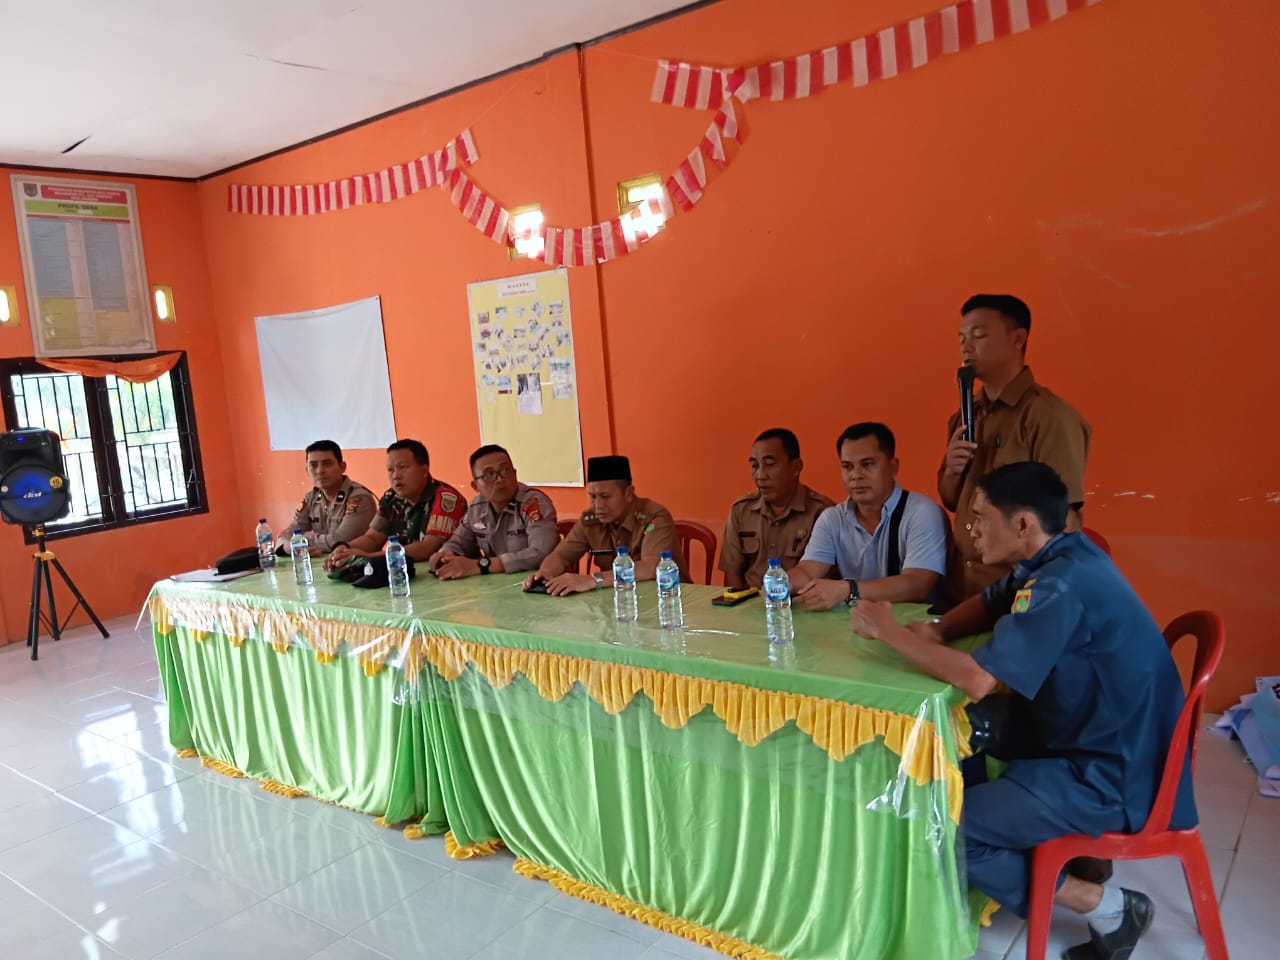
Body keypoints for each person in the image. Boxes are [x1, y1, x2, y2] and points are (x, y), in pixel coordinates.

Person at [849, 462, 1194, 959]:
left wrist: (887, 631)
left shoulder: (1062, 585)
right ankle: (1004, 844)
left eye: (981, 518)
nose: (971, 530)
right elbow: (995, 600)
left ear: (1023, 524)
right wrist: (940, 630)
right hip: (1099, 738)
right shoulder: (1064, 554)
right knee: (969, 730)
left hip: (1111, 774)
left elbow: (977, 678)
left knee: (947, 825)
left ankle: (1109, 906)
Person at [939, 293, 1091, 601]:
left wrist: (1043, 601)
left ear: (1017, 339)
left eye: (979, 335)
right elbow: (951, 499)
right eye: (962, 338)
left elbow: (1064, 522)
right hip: (963, 590)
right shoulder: (965, 416)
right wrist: (953, 471)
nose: (966, 347)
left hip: (1017, 594)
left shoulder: (1048, 417)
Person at [788, 423, 948, 610]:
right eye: (847, 467)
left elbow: (918, 584)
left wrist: (849, 590)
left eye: (867, 464)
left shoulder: (921, 513)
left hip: (917, 623)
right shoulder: (832, 519)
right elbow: (808, 571)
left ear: (893, 467)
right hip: (859, 622)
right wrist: (783, 582)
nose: (856, 475)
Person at [525, 455, 684, 596]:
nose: (598, 505)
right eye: (593, 497)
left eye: (605, 496)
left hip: (666, 598)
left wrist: (592, 580)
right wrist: (545, 573)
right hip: (619, 600)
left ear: (628, 494)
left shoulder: (653, 516)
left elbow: (651, 567)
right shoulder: (591, 520)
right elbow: (561, 556)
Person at [324, 439, 465, 569]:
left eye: (403, 467)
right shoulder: (391, 498)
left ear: (424, 470)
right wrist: (344, 549)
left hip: (447, 573)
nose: (396, 476)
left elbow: (429, 547)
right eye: (390, 470)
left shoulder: (446, 498)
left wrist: (370, 557)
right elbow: (372, 538)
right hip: (404, 572)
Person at [719, 428, 833, 590]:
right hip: (750, 601)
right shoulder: (741, 510)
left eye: (770, 465)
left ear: (796, 467)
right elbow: (732, 575)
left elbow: (825, 580)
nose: (760, 475)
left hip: (799, 602)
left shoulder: (822, 513)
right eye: (755, 466)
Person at [428, 444, 559, 579]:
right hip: (496, 583)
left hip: (536, 582)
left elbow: (541, 553)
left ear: (515, 474)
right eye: (490, 474)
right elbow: (458, 541)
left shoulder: (533, 503)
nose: (500, 479)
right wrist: (446, 554)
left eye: (505, 470)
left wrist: (481, 566)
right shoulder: (476, 508)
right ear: (475, 486)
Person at [274, 440, 377, 556]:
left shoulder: (359, 498)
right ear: (307, 470)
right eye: (313, 465)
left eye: (327, 464)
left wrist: (302, 540)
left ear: (342, 467)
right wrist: (287, 547)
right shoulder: (310, 498)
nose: (320, 471)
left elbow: (340, 540)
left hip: (356, 564)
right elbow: (285, 535)